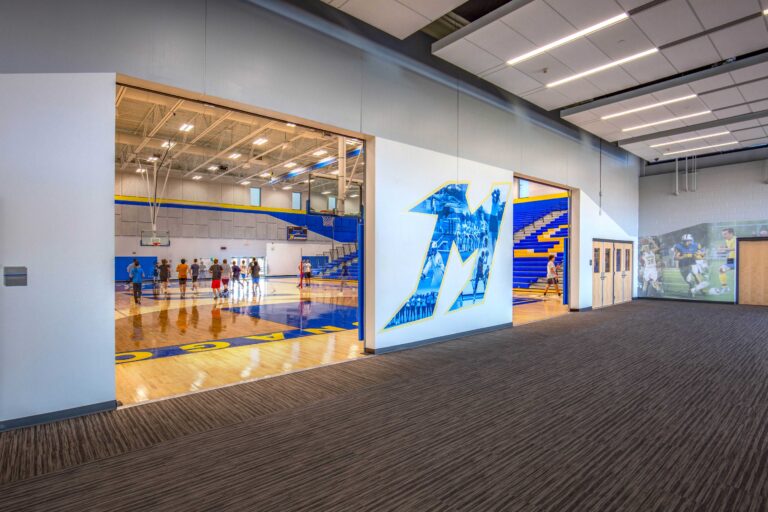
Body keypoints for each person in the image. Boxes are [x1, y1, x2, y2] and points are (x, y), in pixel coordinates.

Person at [718, 227, 736, 293]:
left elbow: (736, 248)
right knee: (721, 270)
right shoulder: (727, 240)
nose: (724, 236)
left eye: (725, 234)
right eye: (723, 234)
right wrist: (724, 249)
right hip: (731, 260)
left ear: (731, 233)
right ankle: (725, 287)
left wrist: (724, 249)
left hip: (738, 260)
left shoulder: (736, 239)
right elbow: (729, 249)